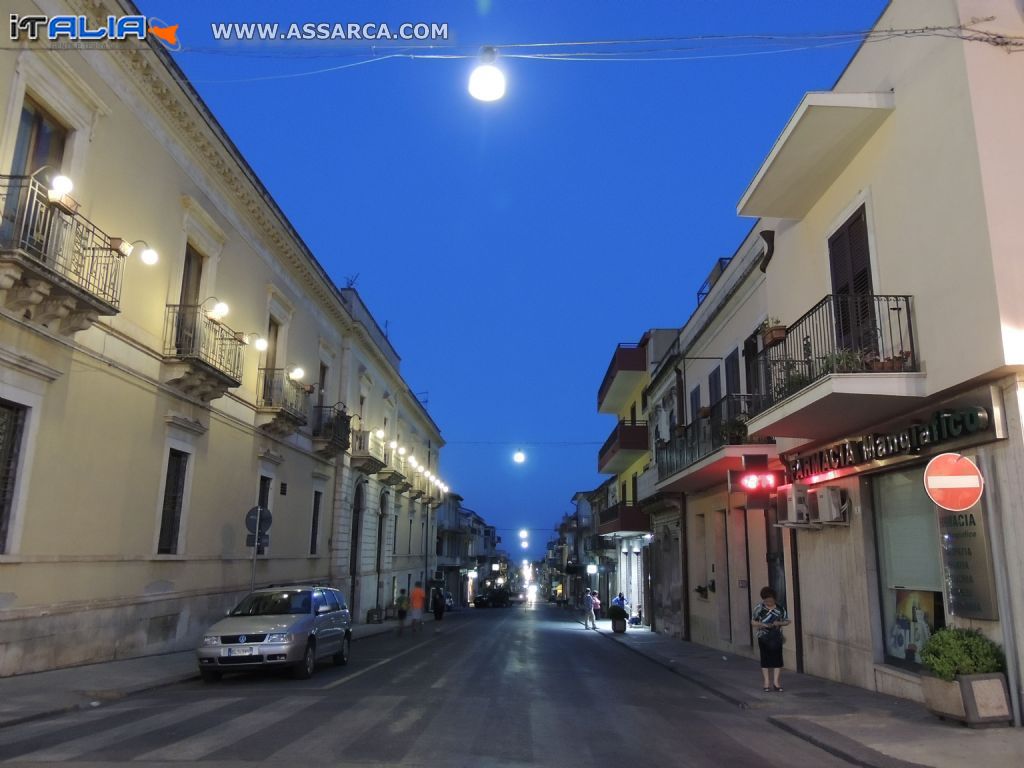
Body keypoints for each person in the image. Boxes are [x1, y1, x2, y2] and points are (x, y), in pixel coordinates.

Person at [752, 586, 791, 692]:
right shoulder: (759, 608)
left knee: (777, 660)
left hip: (776, 637)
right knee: (765, 659)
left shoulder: (780, 608)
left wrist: (779, 623)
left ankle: (776, 683)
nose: (768, 602)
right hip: (763, 637)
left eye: (770, 600)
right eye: (766, 600)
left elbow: (787, 621)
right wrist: (763, 624)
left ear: (774, 598)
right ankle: (766, 683)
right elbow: (753, 622)